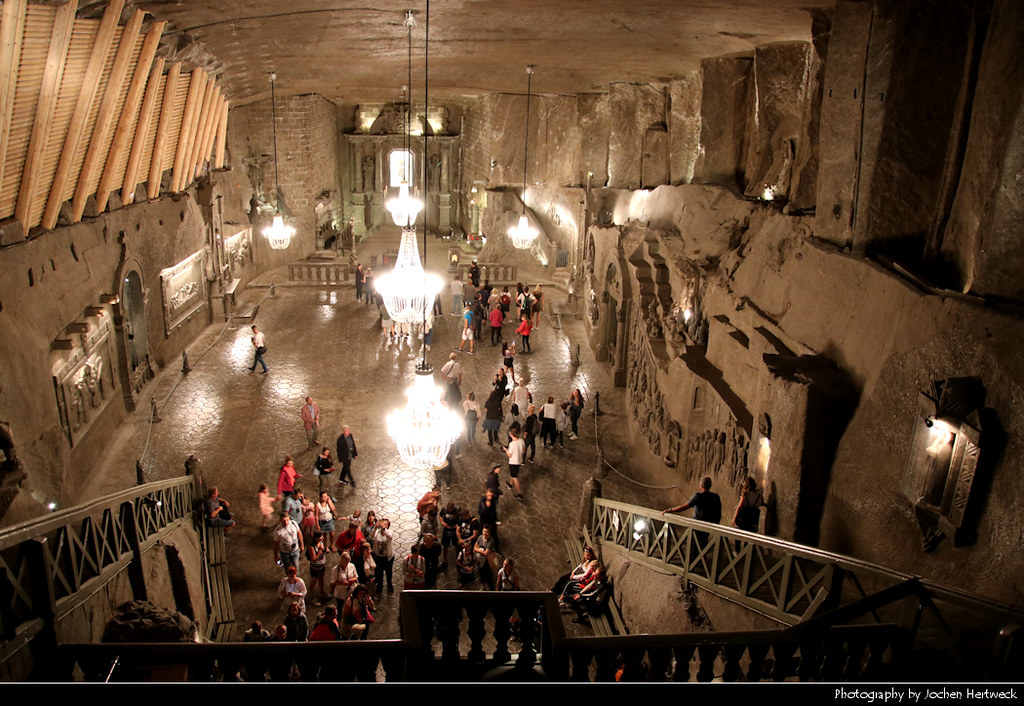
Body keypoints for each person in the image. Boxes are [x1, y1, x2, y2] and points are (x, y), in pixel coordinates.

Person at [369, 518, 395, 593]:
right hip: (378, 556)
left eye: (385, 524)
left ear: (388, 526)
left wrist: (384, 529)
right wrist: (375, 527)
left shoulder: (389, 531)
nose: (383, 525)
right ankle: (380, 585)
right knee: (379, 572)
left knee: (388, 572)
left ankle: (389, 585)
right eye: (382, 523)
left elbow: (389, 536)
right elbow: (370, 536)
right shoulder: (377, 531)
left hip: (387, 556)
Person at [306, 530, 329, 604]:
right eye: (321, 536)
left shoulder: (321, 542)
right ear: (316, 538)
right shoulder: (311, 547)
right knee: (313, 582)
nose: (322, 537)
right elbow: (314, 559)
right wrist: (320, 551)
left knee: (321, 579)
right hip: (315, 568)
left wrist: (325, 549)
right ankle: (312, 598)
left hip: (322, 565)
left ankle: (322, 592)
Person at [503, 428, 526, 500]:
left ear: (512, 435)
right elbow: (524, 451)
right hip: (519, 461)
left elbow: (509, 455)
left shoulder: (512, 444)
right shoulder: (521, 441)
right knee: (514, 474)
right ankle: (510, 484)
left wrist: (505, 450)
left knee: (515, 477)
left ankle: (519, 494)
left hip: (513, 462)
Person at [474, 525, 498, 590]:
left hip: (487, 561)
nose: (485, 533)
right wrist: (480, 550)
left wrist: (478, 549)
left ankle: (491, 589)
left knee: (488, 575)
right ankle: (483, 585)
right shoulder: (480, 537)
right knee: (481, 573)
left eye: (487, 532)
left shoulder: (491, 540)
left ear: (489, 533)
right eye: (484, 531)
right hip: (480, 560)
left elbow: (486, 553)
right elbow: (475, 547)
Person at [439, 502, 460, 570]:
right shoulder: (444, 509)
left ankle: (458, 558)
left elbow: (461, 518)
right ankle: (445, 560)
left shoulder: (457, 510)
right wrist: (443, 522)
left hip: (454, 529)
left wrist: (458, 525)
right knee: (445, 545)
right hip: (447, 529)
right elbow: (440, 515)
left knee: (456, 544)